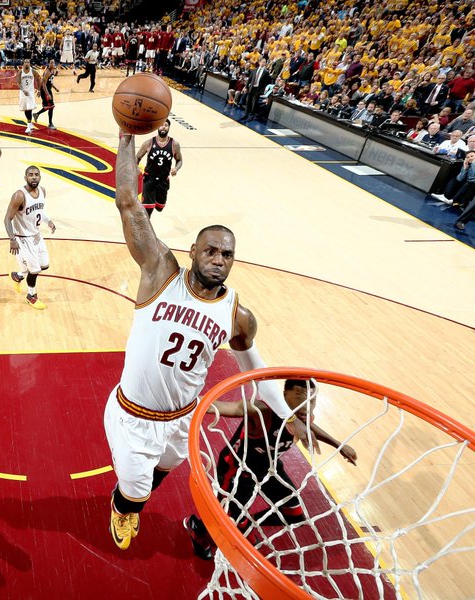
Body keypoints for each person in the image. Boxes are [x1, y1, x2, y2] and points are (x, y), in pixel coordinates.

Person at [103, 132, 315, 552]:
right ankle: (123, 507)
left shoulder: (238, 316)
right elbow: (128, 202)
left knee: (165, 467)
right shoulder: (159, 272)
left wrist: (288, 415)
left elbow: (257, 372)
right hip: (133, 413)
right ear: (192, 250)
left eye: (227, 254)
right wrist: (126, 136)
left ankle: (137, 496)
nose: (218, 259)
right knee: (135, 489)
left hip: (183, 417)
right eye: (211, 250)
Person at [183, 379, 357, 560]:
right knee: (228, 522)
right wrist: (185, 404)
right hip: (238, 471)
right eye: (300, 395)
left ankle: (244, 522)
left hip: (269, 470)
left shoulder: (303, 416)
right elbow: (224, 407)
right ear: (284, 395)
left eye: (312, 399)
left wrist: (338, 444)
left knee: (294, 514)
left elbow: (306, 426)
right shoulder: (262, 411)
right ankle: (199, 531)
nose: (307, 403)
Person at [4, 165, 56, 310]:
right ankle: (31, 296)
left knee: (44, 265)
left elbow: (40, 210)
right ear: (25, 177)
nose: (34, 177)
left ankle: (18, 275)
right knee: (34, 271)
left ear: (40, 177)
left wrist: (49, 221)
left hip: (36, 235)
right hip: (23, 238)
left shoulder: (42, 191)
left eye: (36, 175)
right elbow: (7, 219)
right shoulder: (19, 196)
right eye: (31, 175)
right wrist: (12, 239)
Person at [135, 119, 183, 218]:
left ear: (169, 128)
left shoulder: (174, 144)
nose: (163, 127)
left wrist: (176, 169)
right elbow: (137, 157)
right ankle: (144, 226)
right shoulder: (149, 143)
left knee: (159, 208)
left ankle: (154, 203)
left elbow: (179, 160)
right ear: (157, 127)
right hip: (149, 179)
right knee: (148, 209)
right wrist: (136, 167)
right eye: (161, 125)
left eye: (166, 125)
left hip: (163, 180)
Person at [33, 59, 60, 130]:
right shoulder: (47, 72)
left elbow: (50, 82)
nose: (53, 64)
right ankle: (50, 123)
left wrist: (55, 88)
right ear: (48, 64)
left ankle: (37, 114)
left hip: (48, 89)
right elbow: (44, 84)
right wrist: (47, 94)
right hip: (45, 90)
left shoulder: (52, 71)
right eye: (51, 63)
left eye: (53, 63)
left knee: (50, 106)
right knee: (51, 106)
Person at [17, 59, 41, 135]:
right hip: (23, 93)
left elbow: (38, 79)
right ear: (23, 64)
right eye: (25, 62)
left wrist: (39, 90)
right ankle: (30, 124)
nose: (26, 63)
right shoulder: (20, 72)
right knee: (25, 109)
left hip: (30, 92)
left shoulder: (33, 71)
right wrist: (23, 90)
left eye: (28, 62)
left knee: (29, 109)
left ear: (30, 64)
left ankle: (28, 126)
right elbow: (18, 83)